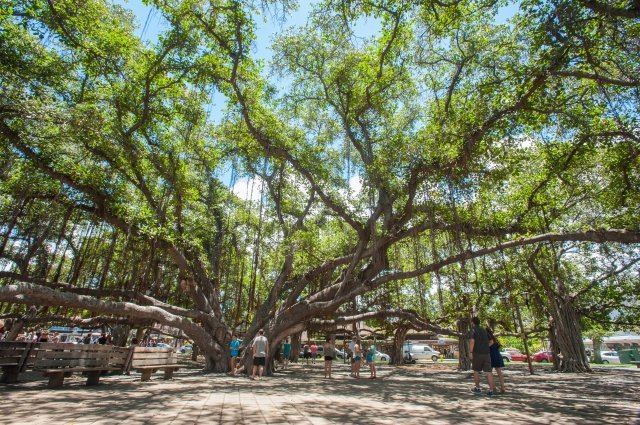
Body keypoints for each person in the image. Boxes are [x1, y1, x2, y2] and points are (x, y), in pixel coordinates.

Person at [468, 316, 496, 396]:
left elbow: (472, 340)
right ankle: (491, 390)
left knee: (476, 371)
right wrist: (485, 347)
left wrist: (470, 352)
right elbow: (491, 341)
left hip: (477, 354)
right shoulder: (484, 330)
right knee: (489, 372)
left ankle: (477, 388)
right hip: (487, 354)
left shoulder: (473, 330)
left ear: (472, 322)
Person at [487, 327, 506, 394]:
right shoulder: (495, 339)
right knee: (499, 373)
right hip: (497, 355)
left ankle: (493, 387)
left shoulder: (489, 338)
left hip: (492, 356)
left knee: (489, 372)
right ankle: (502, 387)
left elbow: (490, 343)